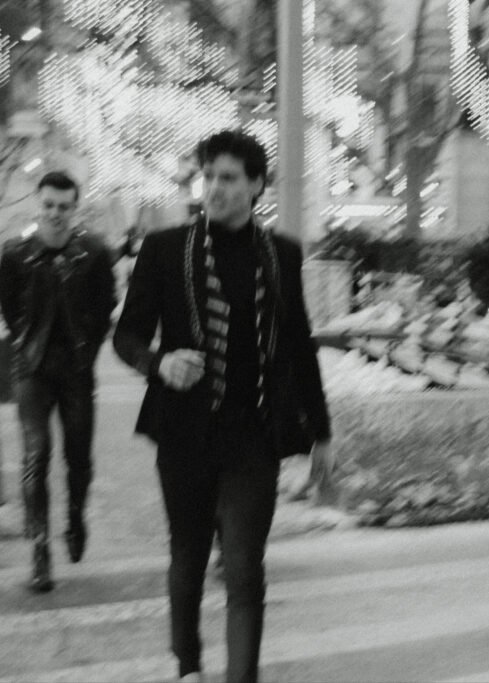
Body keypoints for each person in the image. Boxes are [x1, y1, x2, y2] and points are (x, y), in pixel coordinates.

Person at [113, 129, 333, 683]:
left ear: (257, 185)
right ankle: (188, 666)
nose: (215, 188)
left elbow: (298, 342)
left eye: (229, 178)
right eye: (208, 177)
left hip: (252, 437)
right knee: (187, 560)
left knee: (243, 570)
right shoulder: (166, 250)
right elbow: (127, 336)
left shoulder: (280, 253)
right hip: (183, 433)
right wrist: (158, 362)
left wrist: (321, 431)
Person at [0, 171, 116, 593]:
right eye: (48, 205)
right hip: (32, 369)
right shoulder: (14, 255)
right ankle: (39, 549)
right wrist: (27, 342)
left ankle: (75, 517)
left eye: (63, 207)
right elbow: (10, 308)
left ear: (75, 208)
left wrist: (88, 347)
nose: (55, 214)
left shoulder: (95, 253)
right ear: (38, 203)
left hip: (76, 370)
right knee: (37, 454)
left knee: (79, 458)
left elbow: (107, 304)